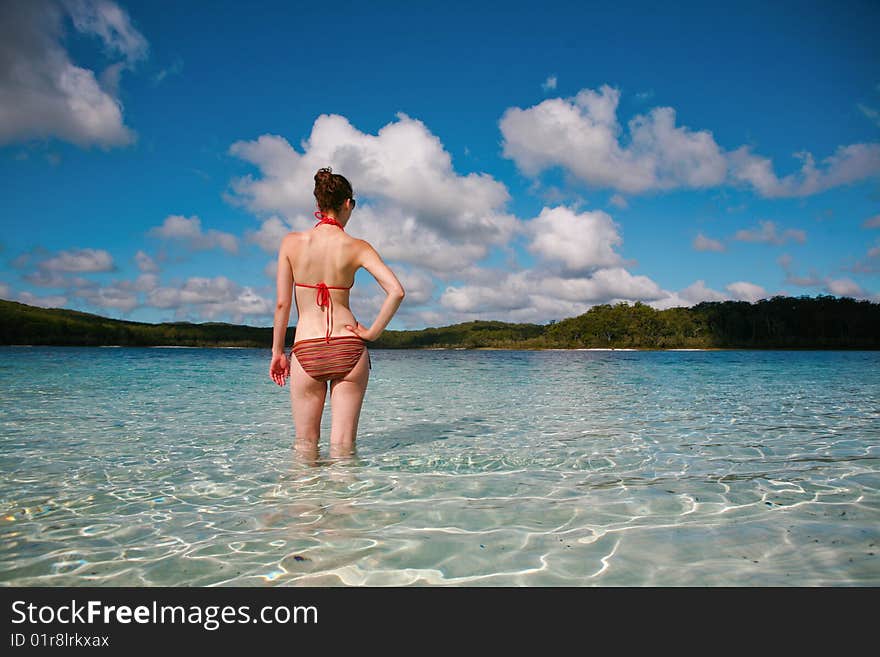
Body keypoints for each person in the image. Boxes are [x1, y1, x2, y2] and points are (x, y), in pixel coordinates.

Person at [270, 167, 405, 456]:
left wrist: (277, 353)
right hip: (349, 348)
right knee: (343, 450)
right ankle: (345, 501)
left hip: (307, 349)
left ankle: (305, 500)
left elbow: (282, 304)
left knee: (305, 449)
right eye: (352, 205)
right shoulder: (357, 246)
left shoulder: (291, 243)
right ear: (347, 204)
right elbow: (396, 291)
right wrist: (371, 333)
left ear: (319, 204)